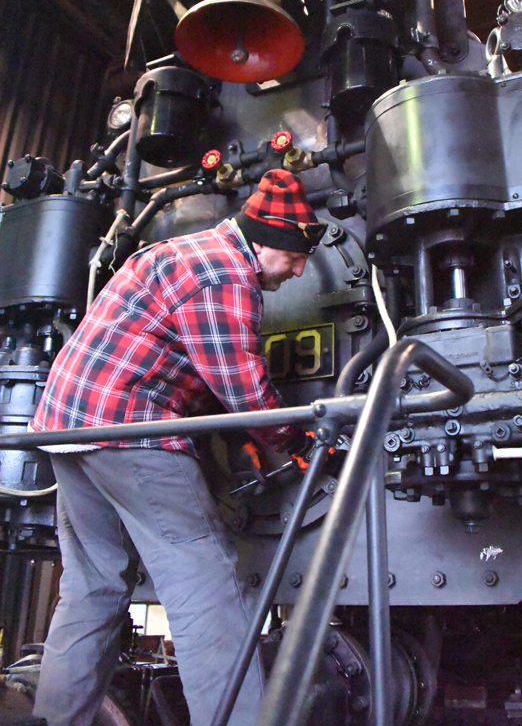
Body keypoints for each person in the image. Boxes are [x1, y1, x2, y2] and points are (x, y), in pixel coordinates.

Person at [30, 169, 326, 726]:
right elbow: (244, 389)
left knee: (92, 587)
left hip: (65, 431)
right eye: (294, 257)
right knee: (207, 590)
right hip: (127, 430)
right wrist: (298, 438)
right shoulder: (224, 275)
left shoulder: (177, 249)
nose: (300, 269)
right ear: (264, 243)